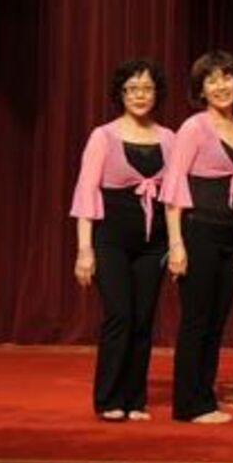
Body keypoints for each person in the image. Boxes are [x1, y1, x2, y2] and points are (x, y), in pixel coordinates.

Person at [71, 58, 174, 422]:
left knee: (143, 319)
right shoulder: (103, 136)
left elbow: (176, 194)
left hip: (154, 243)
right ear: (121, 94)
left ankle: (135, 400)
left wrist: (176, 243)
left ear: (156, 94)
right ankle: (109, 399)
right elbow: (86, 192)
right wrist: (84, 250)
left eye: (147, 88)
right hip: (110, 240)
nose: (140, 95)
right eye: (132, 89)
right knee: (120, 315)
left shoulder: (169, 139)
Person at [160, 50, 233, 424]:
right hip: (197, 230)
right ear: (201, 90)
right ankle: (188, 404)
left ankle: (205, 396)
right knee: (196, 321)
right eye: (211, 80)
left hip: (230, 235)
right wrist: (176, 245)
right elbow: (174, 185)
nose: (221, 86)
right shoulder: (194, 128)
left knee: (217, 322)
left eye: (227, 77)